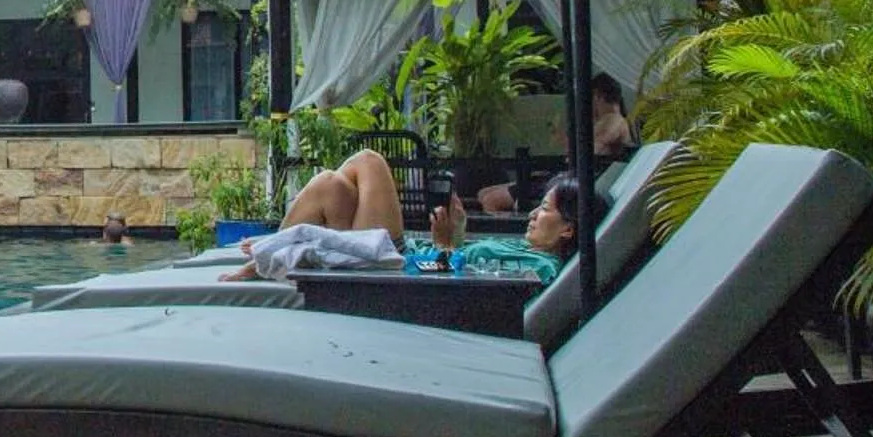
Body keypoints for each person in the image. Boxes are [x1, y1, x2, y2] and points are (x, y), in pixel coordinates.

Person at [220, 148, 604, 286]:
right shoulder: (529, 253)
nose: (535, 213)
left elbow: (465, 282)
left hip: (398, 268)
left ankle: (269, 261)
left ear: (569, 228)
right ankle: (271, 258)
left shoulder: (539, 267)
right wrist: (458, 235)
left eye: (547, 209)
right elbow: (472, 264)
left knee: (359, 167)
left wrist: (441, 248)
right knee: (333, 185)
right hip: (407, 261)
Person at [479, 73, 637, 213]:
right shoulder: (604, 121)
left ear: (597, 96)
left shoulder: (615, 120)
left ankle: (516, 237)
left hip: (573, 181)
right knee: (484, 193)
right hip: (565, 175)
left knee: (490, 199)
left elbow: (591, 151)